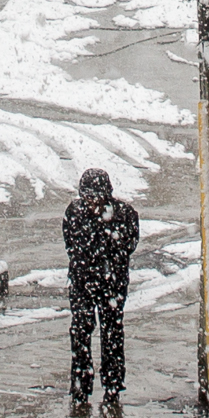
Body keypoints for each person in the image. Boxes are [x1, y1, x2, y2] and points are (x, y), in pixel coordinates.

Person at [62, 167, 138, 400]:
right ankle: (81, 383)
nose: (92, 201)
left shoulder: (124, 214)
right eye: (87, 196)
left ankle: (112, 383)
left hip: (111, 283)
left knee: (112, 331)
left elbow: (129, 244)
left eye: (96, 196)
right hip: (83, 282)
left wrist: (108, 264)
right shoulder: (74, 212)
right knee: (81, 330)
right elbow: (70, 244)